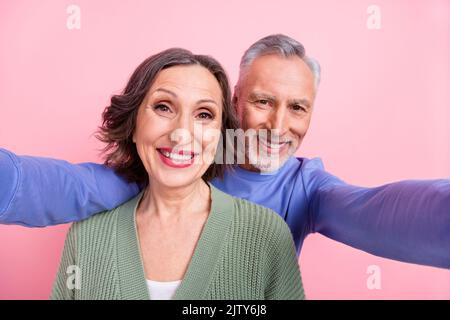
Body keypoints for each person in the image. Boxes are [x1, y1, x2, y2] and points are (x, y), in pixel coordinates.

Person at [0, 34, 449, 270]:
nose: (277, 126)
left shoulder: (308, 188)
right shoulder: (183, 160)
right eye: (262, 102)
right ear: (235, 103)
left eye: (297, 108)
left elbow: (376, 210)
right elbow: (70, 187)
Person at [50, 48, 304, 300]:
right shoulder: (86, 236)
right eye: (163, 107)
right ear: (134, 126)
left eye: (204, 114)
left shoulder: (267, 234)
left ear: (220, 136)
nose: (181, 133)